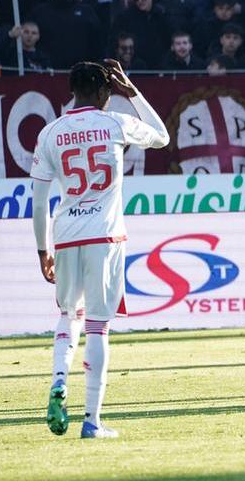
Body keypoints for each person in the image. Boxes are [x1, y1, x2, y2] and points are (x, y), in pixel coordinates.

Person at [31, 61, 170, 438]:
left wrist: (42, 249)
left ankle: (59, 380)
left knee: (67, 315)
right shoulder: (116, 122)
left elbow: (39, 201)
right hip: (105, 236)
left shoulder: (50, 133)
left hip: (65, 234)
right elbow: (161, 137)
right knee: (98, 326)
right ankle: (92, 420)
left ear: (72, 91)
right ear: (105, 92)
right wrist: (134, 91)